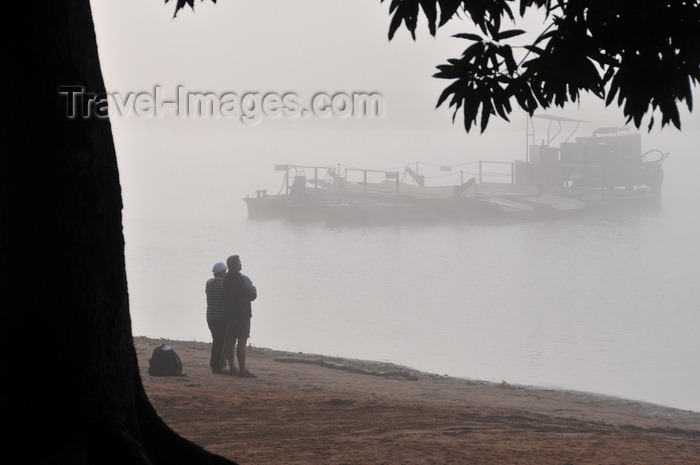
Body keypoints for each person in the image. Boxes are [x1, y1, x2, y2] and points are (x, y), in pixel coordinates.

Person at [222, 254, 257, 378]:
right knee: (242, 342)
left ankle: (232, 367)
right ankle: (242, 369)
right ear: (236, 265)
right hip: (242, 314)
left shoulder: (225, 279)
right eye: (240, 262)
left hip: (230, 314)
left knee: (230, 341)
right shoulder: (243, 279)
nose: (241, 264)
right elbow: (253, 295)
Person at [205, 262, 228, 374]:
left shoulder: (209, 283)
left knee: (216, 341)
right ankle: (219, 366)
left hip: (210, 316)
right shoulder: (222, 284)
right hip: (220, 317)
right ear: (222, 272)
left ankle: (214, 364)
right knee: (222, 342)